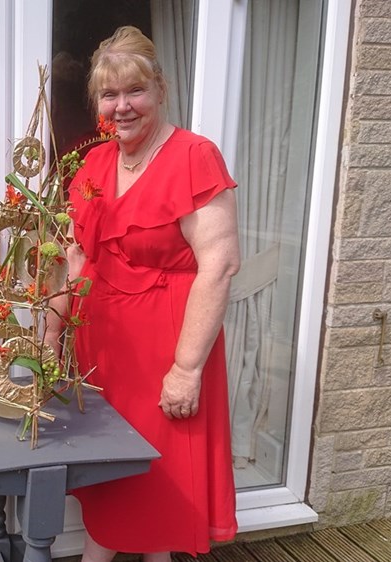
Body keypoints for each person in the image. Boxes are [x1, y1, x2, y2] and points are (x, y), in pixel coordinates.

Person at [47, 26, 241, 561]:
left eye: (134, 91)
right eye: (109, 95)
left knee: (160, 482)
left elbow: (219, 267)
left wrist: (186, 368)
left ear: (160, 88)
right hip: (104, 353)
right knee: (112, 480)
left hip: (166, 349)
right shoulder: (93, 163)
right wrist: (51, 333)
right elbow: (76, 258)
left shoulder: (194, 156)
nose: (122, 106)